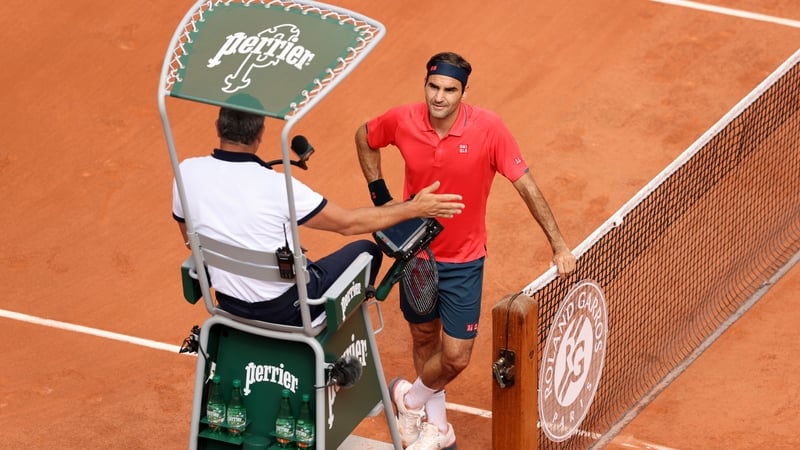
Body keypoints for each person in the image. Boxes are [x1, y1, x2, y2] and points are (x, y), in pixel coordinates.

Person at [355, 51, 577, 449]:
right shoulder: (403, 119)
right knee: (424, 338)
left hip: (465, 259)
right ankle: (437, 428)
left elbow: (525, 184)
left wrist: (559, 244)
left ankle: (408, 399)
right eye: (433, 87)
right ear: (425, 84)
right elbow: (365, 137)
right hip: (416, 254)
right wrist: (382, 198)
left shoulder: (489, 129)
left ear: (464, 92)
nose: (439, 97)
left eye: (449, 90)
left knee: (456, 356)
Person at [172, 104, 464, 327]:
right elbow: (348, 224)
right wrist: (415, 208)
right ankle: (337, 341)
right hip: (289, 310)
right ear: (260, 133)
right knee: (367, 251)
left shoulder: (186, 171)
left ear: (218, 126)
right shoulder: (277, 186)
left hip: (227, 303)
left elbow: (191, 241)